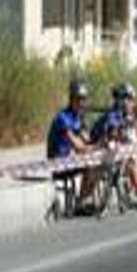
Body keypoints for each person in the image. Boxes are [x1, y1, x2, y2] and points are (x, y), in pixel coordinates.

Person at [46, 80, 98, 211]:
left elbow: (86, 139)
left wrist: (99, 142)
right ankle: (81, 203)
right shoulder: (63, 118)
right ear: (72, 99)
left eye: (84, 100)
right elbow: (78, 146)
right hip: (58, 163)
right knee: (91, 165)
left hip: (69, 160)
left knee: (98, 165)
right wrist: (93, 148)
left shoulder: (77, 117)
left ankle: (84, 199)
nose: (82, 104)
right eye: (79, 100)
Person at [90, 83, 137, 202]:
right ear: (122, 99)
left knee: (131, 156)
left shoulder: (127, 114)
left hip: (108, 147)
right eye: (129, 99)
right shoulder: (114, 113)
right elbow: (113, 133)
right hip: (98, 147)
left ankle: (133, 190)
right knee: (130, 161)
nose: (130, 103)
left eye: (131, 99)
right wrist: (122, 136)